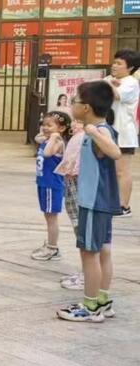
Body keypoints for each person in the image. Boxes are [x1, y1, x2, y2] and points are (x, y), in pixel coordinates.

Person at [58, 81, 122, 323]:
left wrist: (93, 132)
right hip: (100, 200)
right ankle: (102, 300)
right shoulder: (100, 128)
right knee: (103, 251)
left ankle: (90, 306)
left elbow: (115, 152)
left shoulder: (100, 130)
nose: (72, 105)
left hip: (93, 200)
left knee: (89, 253)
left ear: (86, 107)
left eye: (75, 101)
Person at [31, 111, 70, 262]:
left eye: (49, 125)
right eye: (44, 124)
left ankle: (52, 248)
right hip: (43, 183)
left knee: (51, 218)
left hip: (51, 185)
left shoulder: (58, 143)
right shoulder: (47, 139)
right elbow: (37, 138)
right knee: (48, 216)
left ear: (61, 128)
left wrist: (53, 137)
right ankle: (50, 244)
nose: (45, 128)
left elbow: (47, 153)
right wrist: (48, 135)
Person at [105, 49, 139, 216]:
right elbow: (96, 91)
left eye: (119, 63)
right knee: (109, 171)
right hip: (107, 132)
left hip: (124, 133)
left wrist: (111, 85)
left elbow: (116, 95)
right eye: (114, 62)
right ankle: (111, 202)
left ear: (130, 68)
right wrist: (110, 83)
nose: (114, 66)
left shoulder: (131, 83)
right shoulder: (110, 79)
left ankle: (124, 206)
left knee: (122, 171)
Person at [57, 115, 87, 291]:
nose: (74, 124)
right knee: (79, 229)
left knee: (82, 231)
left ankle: (87, 275)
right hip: (71, 183)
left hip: (79, 185)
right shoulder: (80, 135)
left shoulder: (89, 135)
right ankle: (85, 272)